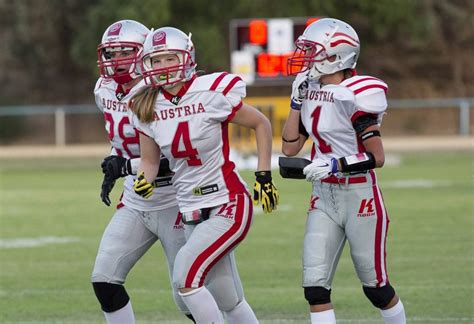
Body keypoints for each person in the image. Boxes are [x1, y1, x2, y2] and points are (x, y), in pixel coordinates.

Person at [129, 26, 279, 323]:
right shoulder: (145, 104)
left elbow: (261, 123)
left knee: (185, 277)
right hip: (189, 209)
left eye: (169, 58)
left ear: (186, 58)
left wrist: (264, 175)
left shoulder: (211, 91)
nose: (162, 67)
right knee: (227, 297)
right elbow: (149, 160)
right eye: (155, 61)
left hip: (227, 201)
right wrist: (142, 181)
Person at [282, 18, 406, 324]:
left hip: (359, 194)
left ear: (337, 55)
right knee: (315, 287)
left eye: (313, 51)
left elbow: (377, 156)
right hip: (323, 196)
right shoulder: (310, 89)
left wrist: (336, 164)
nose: (306, 58)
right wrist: (296, 103)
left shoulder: (357, 92)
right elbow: (289, 147)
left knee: (375, 287)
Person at [92, 20, 194, 323]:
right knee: (105, 281)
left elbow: (178, 153)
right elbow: (120, 142)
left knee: (188, 293)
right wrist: (115, 164)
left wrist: (126, 166)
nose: (117, 59)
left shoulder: (162, 91)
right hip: (137, 198)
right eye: (111, 53)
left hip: (175, 197)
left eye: (127, 51)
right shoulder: (104, 89)